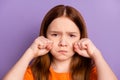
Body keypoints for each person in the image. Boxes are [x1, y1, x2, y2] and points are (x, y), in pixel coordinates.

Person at [3, 5, 117, 80]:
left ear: (81, 38)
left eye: (71, 35)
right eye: (55, 35)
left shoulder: (92, 72)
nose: (63, 43)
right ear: (44, 36)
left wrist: (97, 55)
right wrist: (30, 52)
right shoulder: (32, 73)